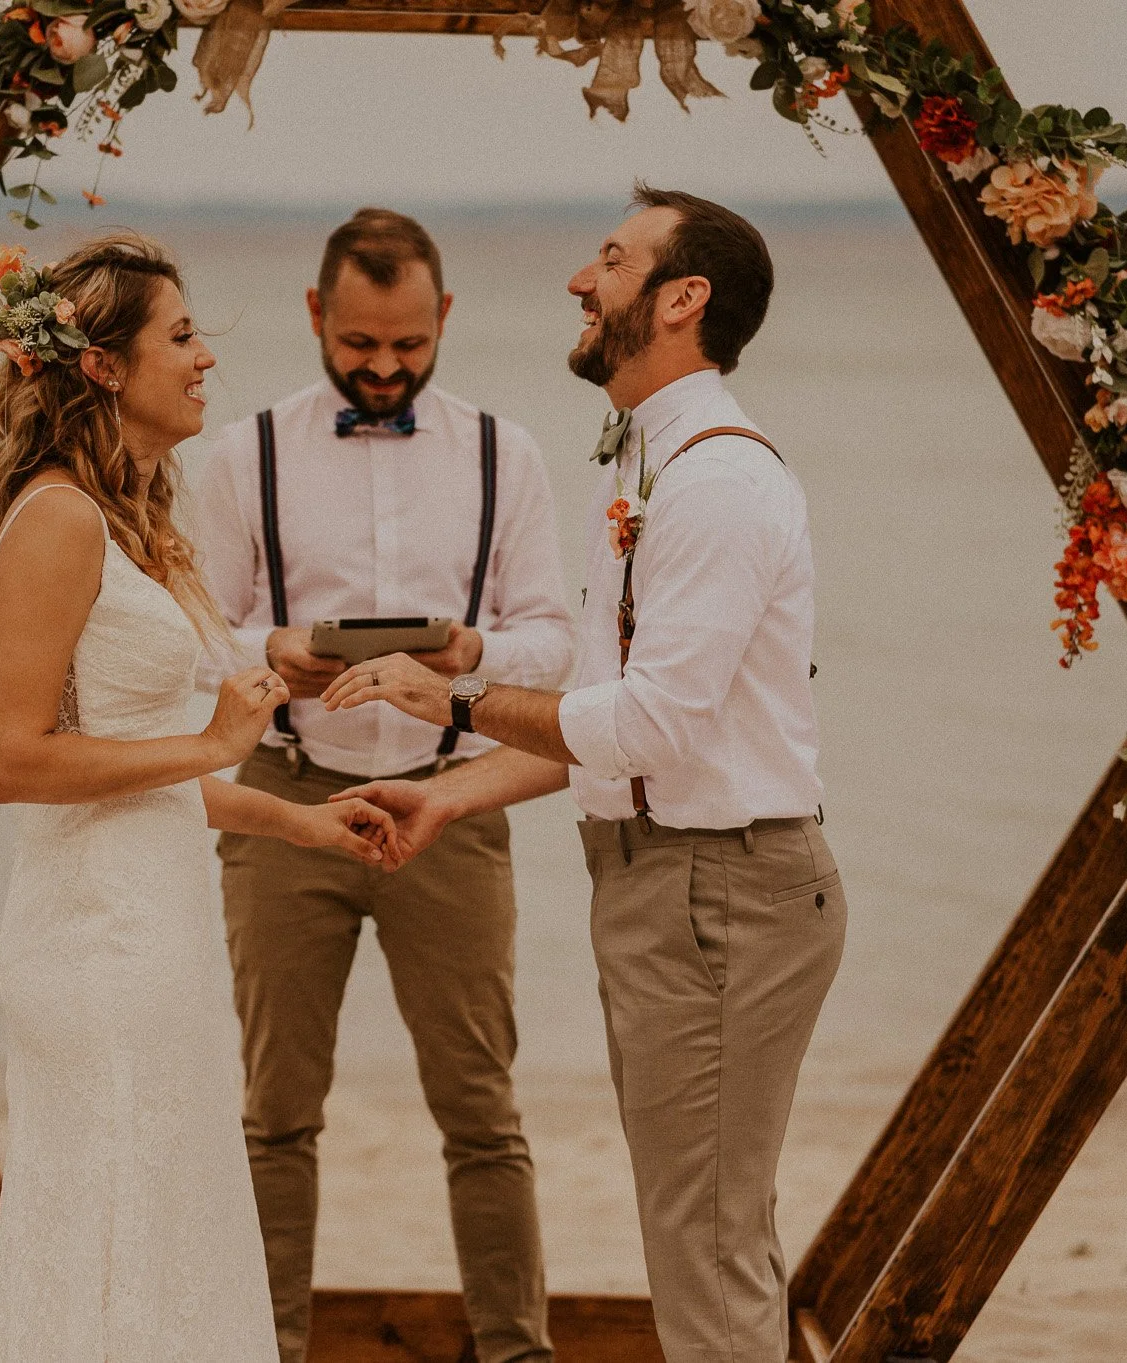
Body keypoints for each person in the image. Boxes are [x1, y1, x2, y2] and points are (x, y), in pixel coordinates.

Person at [318, 187, 847, 1363]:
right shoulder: (659, 464)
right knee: (707, 1229)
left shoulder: (712, 483)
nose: (577, 279)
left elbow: (647, 725)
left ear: (679, 299)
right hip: (678, 892)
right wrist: (447, 792)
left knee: (703, 1242)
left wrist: (442, 695)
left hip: (718, 897)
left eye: (608, 259)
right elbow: (597, 727)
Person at [0, 232, 399, 1362]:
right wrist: (208, 741)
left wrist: (292, 817)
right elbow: (10, 761)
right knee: (113, 1221)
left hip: (161, 919)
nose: (204, 360)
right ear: (102, 365)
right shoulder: (56, 519)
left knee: (168, 1218)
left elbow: (136, 767)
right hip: (97, 940)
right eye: (180, 336)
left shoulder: (132, 519)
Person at [192, 208, 573, 1363]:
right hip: (284, 798)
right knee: (273, 1113)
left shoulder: (507, 453)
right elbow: (197, 635)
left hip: (450, 803)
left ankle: (515, 1352)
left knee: (481, 1112)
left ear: (443, 319)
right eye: (359, 343)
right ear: (316, 315)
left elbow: (553, 640)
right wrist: (276, 650)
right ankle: (266, 1347)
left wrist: (466, 654)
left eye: (406, 344)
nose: (382, 367)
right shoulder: (240, 453)